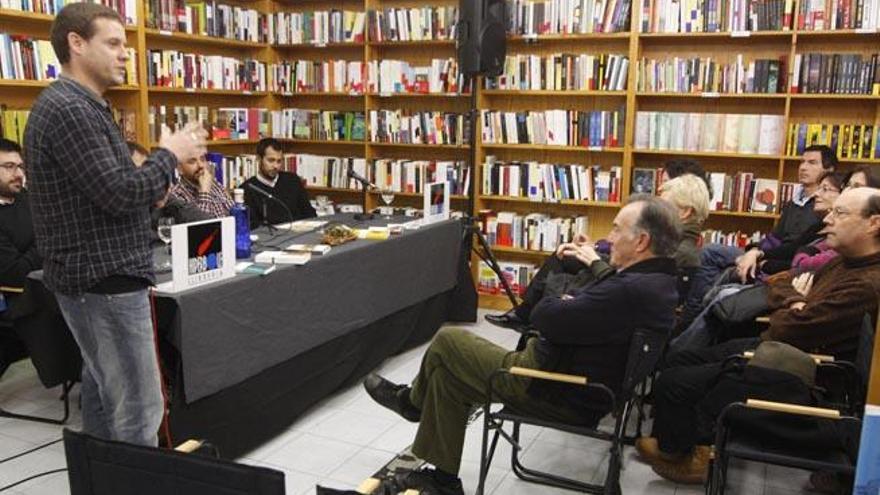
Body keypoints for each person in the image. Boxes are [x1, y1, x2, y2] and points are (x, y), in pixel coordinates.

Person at [363, 195, 682, 494]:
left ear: (641, 242)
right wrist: (575, 299)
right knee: (448, 378)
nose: (609, 237)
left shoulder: (627, 291)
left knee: (449, 340)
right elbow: (578, 312)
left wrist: (562, 299)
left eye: (616, 228)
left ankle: (411, 403)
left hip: (551, 385)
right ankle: (443, 480)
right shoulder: (658, 283)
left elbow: (542, 315)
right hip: (576, 383)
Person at [24, 2, 206, 446]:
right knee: (140, 409)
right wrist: (169, 155)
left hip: (98, 277)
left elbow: (113, 193)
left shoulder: (85, 106)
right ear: (76, 43)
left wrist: (151, 185)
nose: (127, 54)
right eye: (114, 43)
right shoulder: (70, 109)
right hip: (102, 281)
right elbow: (119, 193)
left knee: (109, 398)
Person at [638, 187, 880, 484]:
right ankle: (675, 445)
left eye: (839, 213)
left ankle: (693, 457)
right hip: (777, 350)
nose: (827, 219)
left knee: (675, 381)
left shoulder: (868, 283)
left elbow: (789, 326)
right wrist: (796, 300)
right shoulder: (843, 260)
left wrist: (794, 304)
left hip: (797, 373)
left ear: (874, 223)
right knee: (680, 357)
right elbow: (778, 281)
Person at [485, 165, 709, 331]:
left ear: (685, 212)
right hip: (616, 283)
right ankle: (527, 312)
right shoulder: (672, 243)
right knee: (566, 254)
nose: (656, 207)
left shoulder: (679, 251)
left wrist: (594, 260)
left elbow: (628, 278)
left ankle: (534, 313)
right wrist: (596, 248)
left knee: (569, 269)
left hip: (613, 288)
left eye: (663, 203)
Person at [680, 145, 838, 328]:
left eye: (812, 163)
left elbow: (797, 251)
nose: (803, 167)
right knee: (710, 251)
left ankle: (693, 318)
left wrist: (761, 259)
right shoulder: (795, 201)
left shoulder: (823, 211)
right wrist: (754, 250)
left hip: (781, 264)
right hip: (767, 254)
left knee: (718, 267)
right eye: (802, 162)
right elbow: (775, 237)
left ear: (829, 170)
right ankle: (693, 313)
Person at [0, 139, 39, 378]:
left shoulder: (27, 198)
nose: (18, 174)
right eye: (9, 167)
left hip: (47, 286)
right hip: (15, 302)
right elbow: (14, 274)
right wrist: (47, 242)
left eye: (20, 167)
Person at [127, 141, 209, 233]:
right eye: (139, 171)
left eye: (146, 171)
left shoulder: (163, 197)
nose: (145, 178)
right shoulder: (124, 206)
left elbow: (204, 220)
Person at [243, 137, 316, 228]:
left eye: (279, 161)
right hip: (269, 239)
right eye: (271, 160)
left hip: (299, 234)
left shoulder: (293, 180)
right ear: (258, 159)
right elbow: (252, 226)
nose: (276, 166)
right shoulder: (247, 189)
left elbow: (309, 213)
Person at [168, 153, 233, 218]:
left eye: (202, 159)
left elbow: (234, 214)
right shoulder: (176, 196)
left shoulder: (214, 184)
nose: (200, 165)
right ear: (180, 169)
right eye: (192, 161)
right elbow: (201, 226)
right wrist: (204, 192)